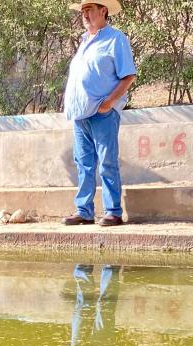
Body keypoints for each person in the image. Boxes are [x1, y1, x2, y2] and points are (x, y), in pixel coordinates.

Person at [62, 0, 137, 227]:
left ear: (103, 11)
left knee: (107, 162)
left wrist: (110, 101)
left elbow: (128, 76)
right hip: (80, 114)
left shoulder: (116, 39)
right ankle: (84, 210)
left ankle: (113, 211)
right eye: (83, 11)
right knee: (83, 163)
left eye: (89, 10)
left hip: (102, 112)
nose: (85, 15)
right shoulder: (85, 41)